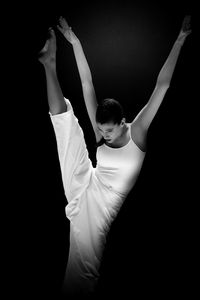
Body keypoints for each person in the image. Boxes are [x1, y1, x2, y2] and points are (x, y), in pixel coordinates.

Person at [38, 15, 191, 297]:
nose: (102, 135)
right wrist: (74, 41)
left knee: (84, 272)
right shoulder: (100, 131)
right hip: (86, 179)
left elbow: (162, 86)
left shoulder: (139, 132)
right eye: (99, 129)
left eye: (107, 131)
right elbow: (87, 84)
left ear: (123, 122)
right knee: (65, 124)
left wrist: (180, 39)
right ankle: (49, 64)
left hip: (100, 211)